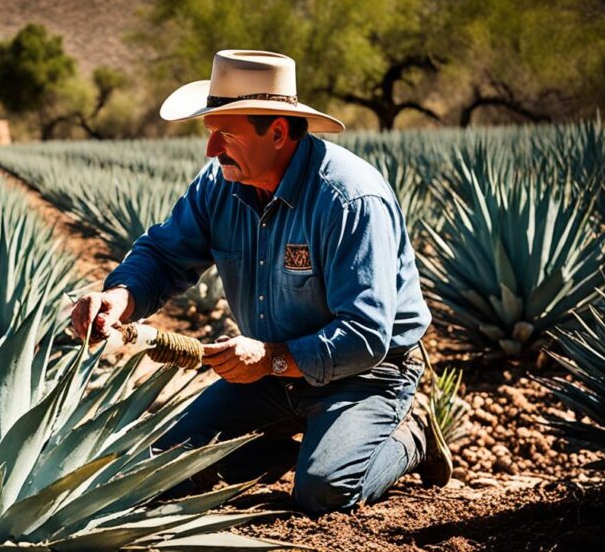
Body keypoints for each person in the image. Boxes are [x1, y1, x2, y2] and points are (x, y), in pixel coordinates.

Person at [70, 49, 453, 514]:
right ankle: (299, 447)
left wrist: (271, 359)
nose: (211, 150)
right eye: (210, 133)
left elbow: (365, 334)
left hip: (365, 373)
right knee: (161, 468)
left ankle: (411, 442)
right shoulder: (220, 184)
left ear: (276, 132)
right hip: (269, 371)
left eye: (225, 134)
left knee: (324, 493)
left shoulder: (349, 199)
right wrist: (121, 296)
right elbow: (165, 253)